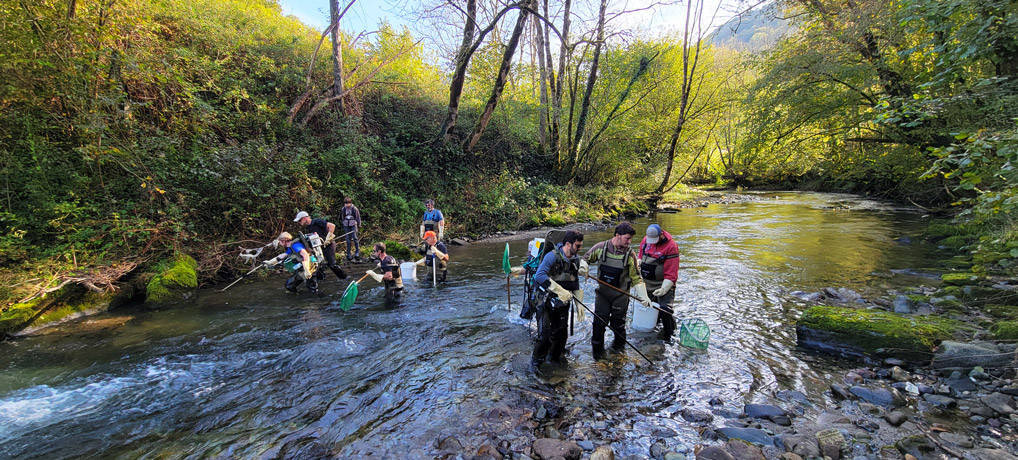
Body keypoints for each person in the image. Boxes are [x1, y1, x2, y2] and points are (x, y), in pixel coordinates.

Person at [583, 222, 652, 360]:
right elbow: (585, 259)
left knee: (618, 326)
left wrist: (644, 296)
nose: (629, 241)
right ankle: (597, 356)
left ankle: (618, 354)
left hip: (620, 297)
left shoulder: (630, 255)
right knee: (598, 325)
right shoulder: (600, 248)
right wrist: (583, 267)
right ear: (617, 235)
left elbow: (637, 279)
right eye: (627, 238)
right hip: (602, 295)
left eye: (630, 239)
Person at [531, 230, 585, 369]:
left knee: (561, 334)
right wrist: (560, 290)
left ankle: (555, 360)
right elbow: (539, 276)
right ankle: (536, 363)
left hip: (563, 302)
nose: (580, 249)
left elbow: (575, 281)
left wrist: (579, 303)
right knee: (544, 335)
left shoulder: (575, 260)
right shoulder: (551, 257)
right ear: (568, 244)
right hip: (545, 301)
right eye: (578, 246)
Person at [638, 224, 680, 341]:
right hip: (647, 283)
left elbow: (671, 274)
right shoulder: (646, 240)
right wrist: (638, 261)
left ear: (661, 235)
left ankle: (669, 337)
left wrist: (664, 289)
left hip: (664, 284)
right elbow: (640, 256)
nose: (653, 243)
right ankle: (648, 336)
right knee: (647, 308)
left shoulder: (671, 246)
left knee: (665, 310)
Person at [294, 211, 347, 281]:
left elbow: (332, 226)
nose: (299, 223)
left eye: (300, 220)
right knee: (319, 265)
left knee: (332, 265)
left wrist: (328, 238)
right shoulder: (308, 228)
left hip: (329, 245)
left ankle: (344, 278)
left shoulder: (317, 221)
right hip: (320, 247)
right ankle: (322, 280)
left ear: (304, 218)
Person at [340, 197, 363, 262]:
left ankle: (357, 252)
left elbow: (358, 217)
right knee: (348, 239)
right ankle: (348, 253)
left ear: (350, 203)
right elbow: (342, 217)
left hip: (353, 224)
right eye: (346, 203)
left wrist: (359, 224)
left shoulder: (354, 209)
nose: (347, 205)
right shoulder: (343, 209)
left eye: (348, 203)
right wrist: (343, 222)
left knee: (355, 238)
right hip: (346, 224)